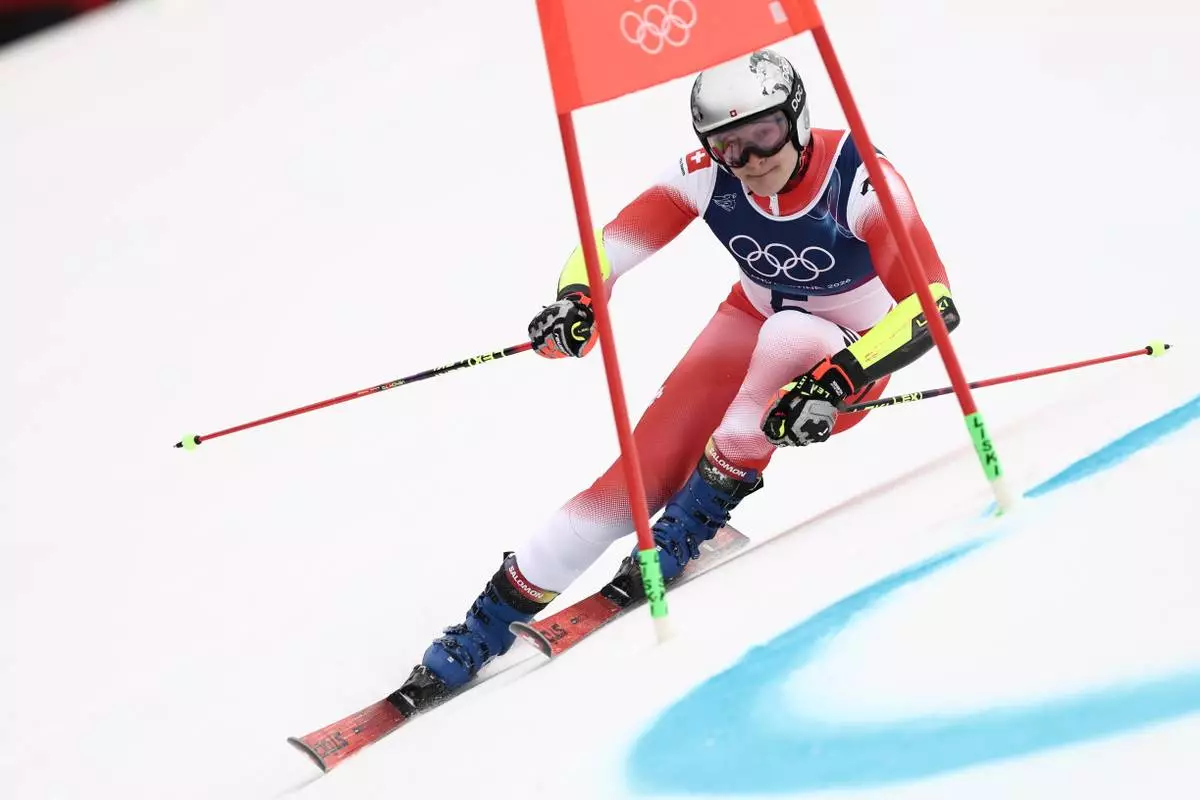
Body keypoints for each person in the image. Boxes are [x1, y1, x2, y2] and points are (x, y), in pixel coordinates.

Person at [396, 48, 960, 705]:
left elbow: (934, 305)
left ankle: (693, 522)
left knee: (789, 336)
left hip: (852, 356)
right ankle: (483, 628)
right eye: (729, 148)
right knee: (633, 481)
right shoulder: (705, 175)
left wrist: (836, 380)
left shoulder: (858, 178)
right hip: (751, 319)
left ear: (797, 119)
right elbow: (607, 245)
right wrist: (577, 299)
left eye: (765, 136)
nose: (750, 163)